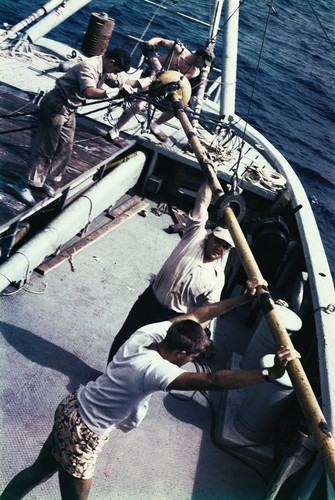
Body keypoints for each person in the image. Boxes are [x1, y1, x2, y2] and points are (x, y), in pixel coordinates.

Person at [0, 276, 301, 500]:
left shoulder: (150, 333)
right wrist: (270, 373)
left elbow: (200, 314)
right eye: (191, 359)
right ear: (182, 354)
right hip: (85, 432)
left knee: (37, 471)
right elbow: (214, 381)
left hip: (73, 406)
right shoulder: (156, 370)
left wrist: (244, 299)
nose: (189, 364)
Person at [107, 180, 234, 363]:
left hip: (172, 319)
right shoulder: (194, 237)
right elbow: (202, 203)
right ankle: (106, 374)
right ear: (210, 236)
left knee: (152, 356)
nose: (219, 248)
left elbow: (209, 310)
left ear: (228, 251)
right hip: (149, 301)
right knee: (125, 340)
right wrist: (209, 178)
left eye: (225, 247)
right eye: (217, 241)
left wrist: (194, 332)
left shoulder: (217, 277)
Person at [12, 48, 132, 206]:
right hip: (56, 105)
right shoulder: (89, 66)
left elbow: (118, 81)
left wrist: (148, 82)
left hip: (69, 110)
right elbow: (89, 92)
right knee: (46, 147)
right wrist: (113, 94)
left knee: (65, 147)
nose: (116, 73)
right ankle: (23, 185)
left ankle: (42, 180)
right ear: (111, 62)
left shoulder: (105, 68)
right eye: (116, 70)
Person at [106, 38, 214, 143]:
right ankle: (115, 130)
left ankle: (155, 125)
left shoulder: (195, 72)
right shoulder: (179, 49)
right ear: (199, 58)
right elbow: (160, 40)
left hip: (165, 85)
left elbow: (180, 81)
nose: (203, 67)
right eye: (204, 64)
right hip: (151, 75)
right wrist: (151, 43)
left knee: (178, 108)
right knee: (139, 105)